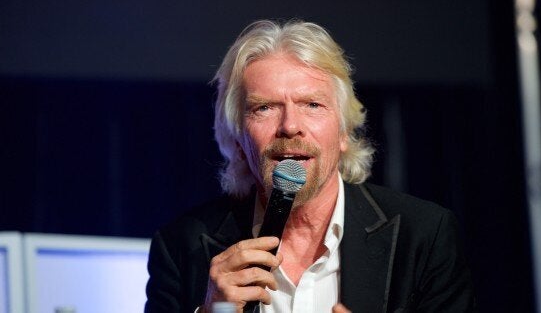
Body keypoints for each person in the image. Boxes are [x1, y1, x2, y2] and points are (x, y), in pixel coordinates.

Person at [145, 19, 476, 313]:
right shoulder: (181, 245)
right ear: (238, 141)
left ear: (344, 131)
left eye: (312, 104)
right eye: (264, 108)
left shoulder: (423, 236)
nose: (290, 125)